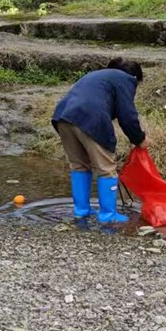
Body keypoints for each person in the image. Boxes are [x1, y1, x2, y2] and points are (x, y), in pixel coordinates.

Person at [52, 58, 149, 223]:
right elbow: (127, 116)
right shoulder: (126, 79)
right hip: (90, 118)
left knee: (79, 165)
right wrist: (139, 139)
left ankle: (81, 211)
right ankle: (108, 215)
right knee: (106, 168)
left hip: (63, 117)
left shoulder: (97, 76)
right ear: (135, 78)